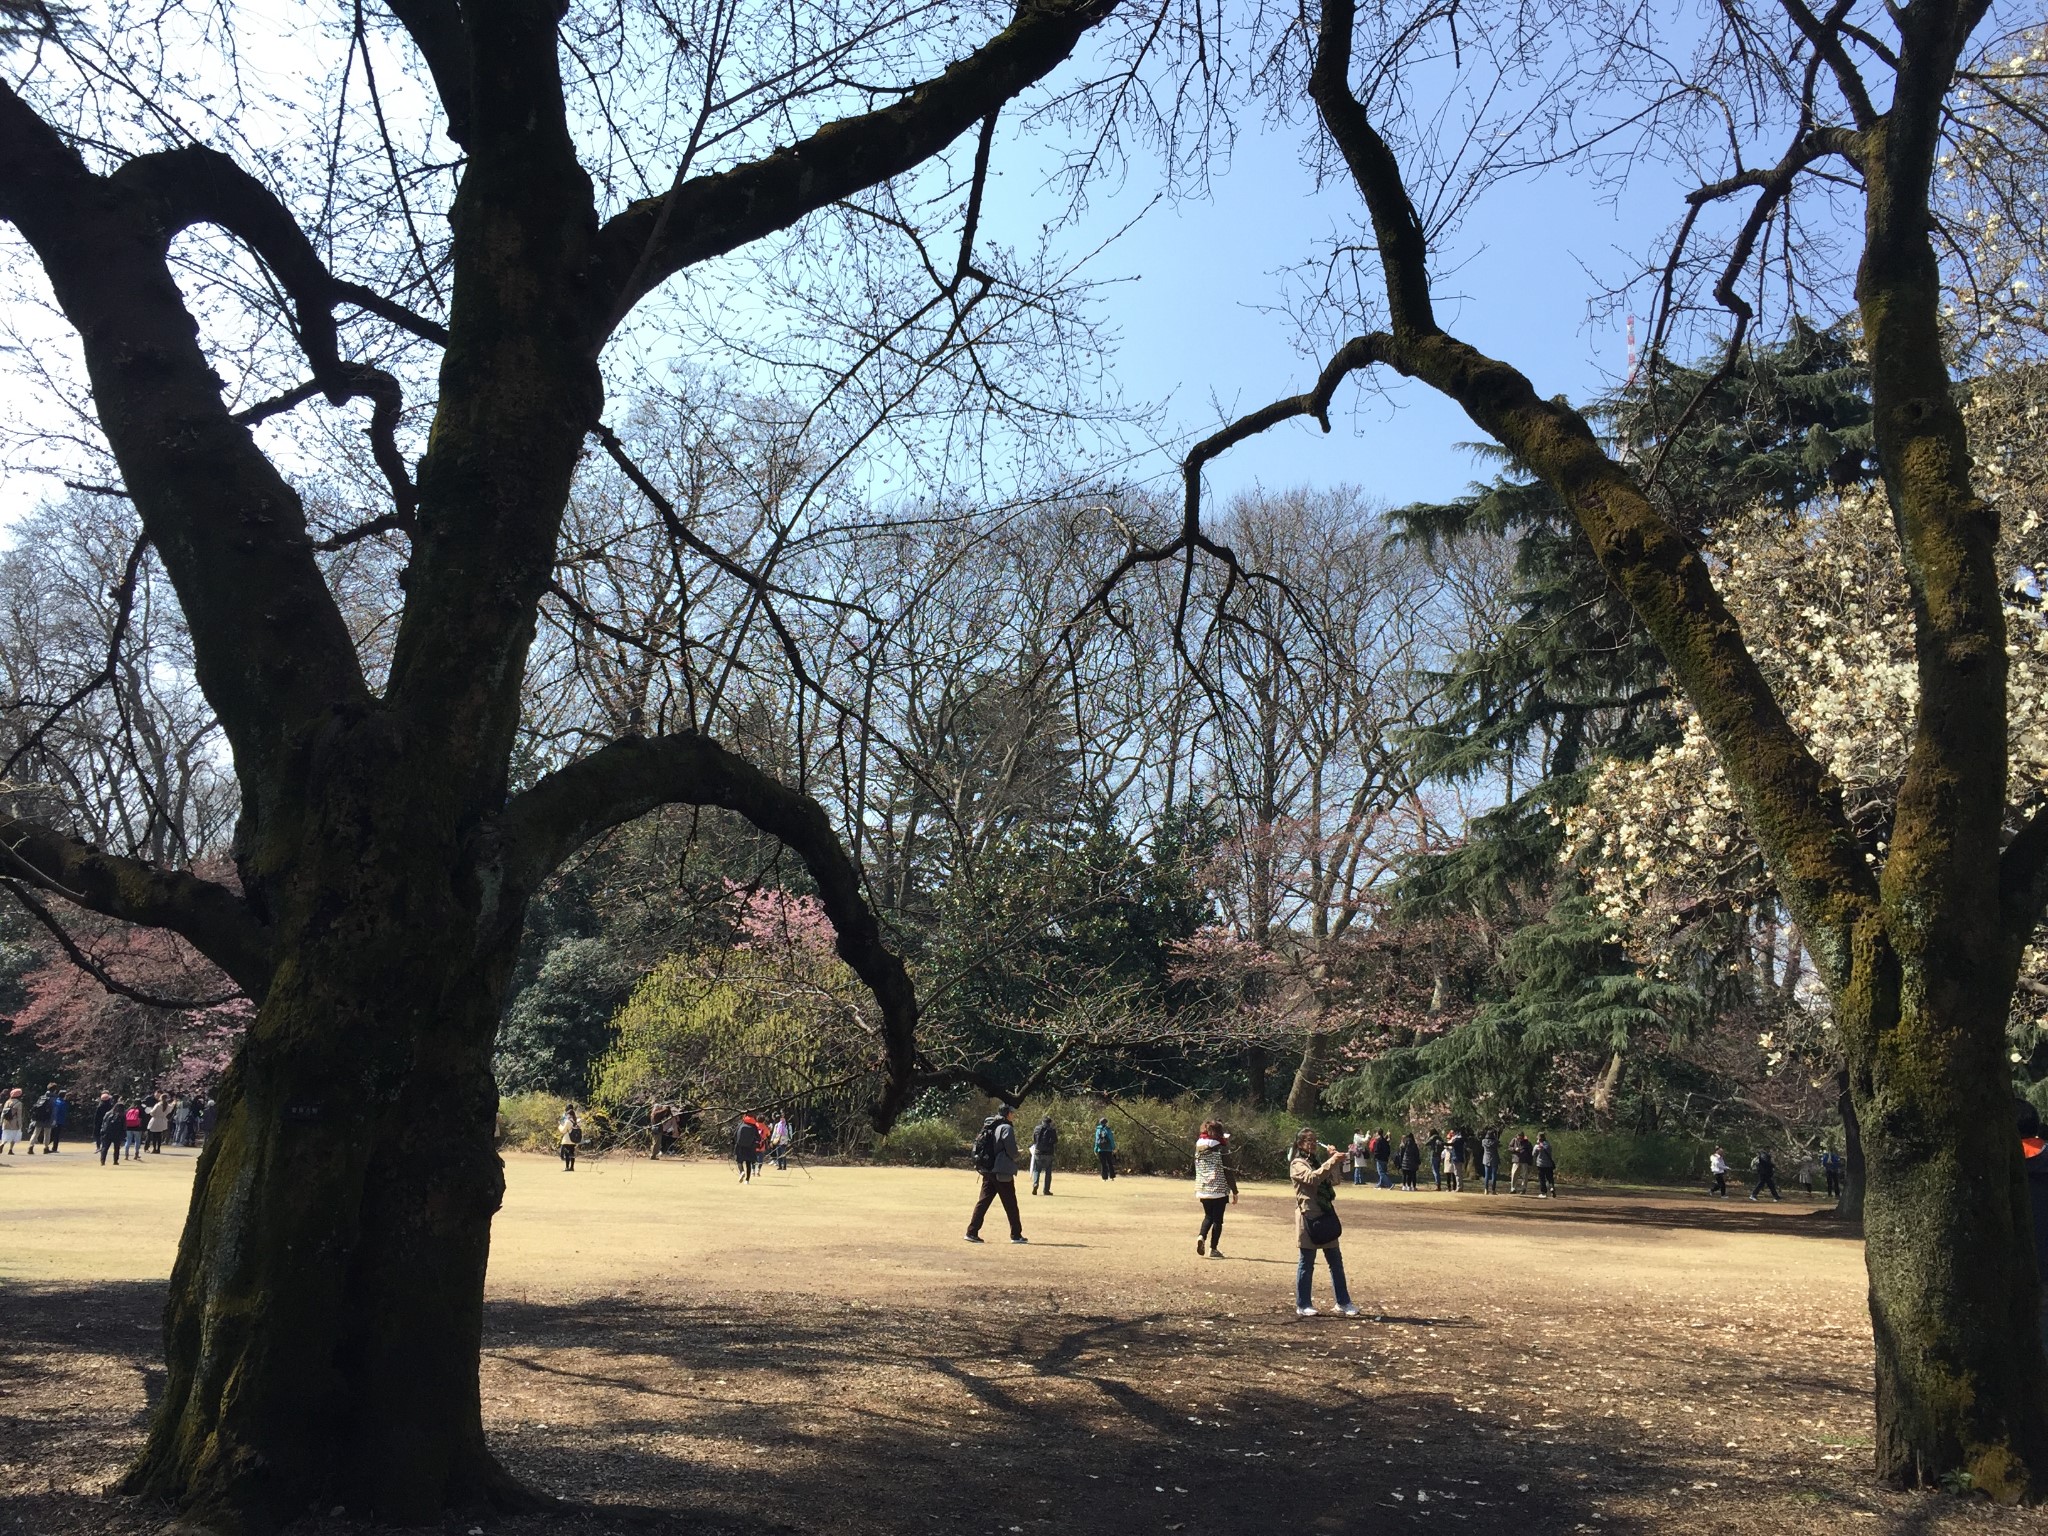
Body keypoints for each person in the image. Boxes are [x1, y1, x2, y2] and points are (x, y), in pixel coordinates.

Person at [1290, 1127, 1359, 1317]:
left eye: (1314, 1140)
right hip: (1308, 1217)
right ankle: (1303, 1304)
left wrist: (1336, 1161)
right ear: (1300, 1144)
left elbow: (1333, 1180)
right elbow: (1313, 1178)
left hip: (1326, 1214)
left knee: (1336, 1261)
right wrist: (1331, 1162)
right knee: (1307, 1262)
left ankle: (1343, 1302)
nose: (1312, 1144)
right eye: (1308, 1141)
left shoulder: (1318, 1162)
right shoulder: (1297, 1163)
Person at [965, 1105, 1027, 1244]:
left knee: (983, 1201)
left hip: (987, 1169)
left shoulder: (990, 1125)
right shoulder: (1006, 1128)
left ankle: (971, 1232)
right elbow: (1011, 1150)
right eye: (1012, 1113)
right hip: (1002, 1170)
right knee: (1011, 1203)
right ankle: (1016, 1235)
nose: (1014, 1116)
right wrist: (1017, 1154)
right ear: (1008, 1114)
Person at [1194, 1120, 1239, 1257]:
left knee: (1208, 1216)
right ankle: (1213, 1249)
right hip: (1219, 1190)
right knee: (1218, 1220)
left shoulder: (1198, 1149)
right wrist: (1235, 1191)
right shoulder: (1221, 1149)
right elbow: (1228, 1171)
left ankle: (1201, 1236)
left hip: (1203, 1188)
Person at [1029, 1114, 1058, 1195]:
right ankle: (1046, 1190)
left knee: (1036, 1170)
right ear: (1050, 1122)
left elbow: (1034, 1139)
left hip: (1038, 1152)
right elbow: (1055, 1141)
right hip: (1049, 1154)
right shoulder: (1052, 1129)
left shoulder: (1037, 1128)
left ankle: (1035, 1183)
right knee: (1048, 1173)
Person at [95, 1095, 124, 1165]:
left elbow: (103, 1122)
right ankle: (115, 1161)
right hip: (117, 1133)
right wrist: (123, 1134)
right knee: (116, 1148)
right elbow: (124, 1125)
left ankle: (102, 1161)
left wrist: (102, 1131)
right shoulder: (121, 1115)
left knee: (105, 1147)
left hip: (106, 1132)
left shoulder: (108, 1113)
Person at [735, 1113, 764, 1181]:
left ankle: (742, 1171)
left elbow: (735, 1135)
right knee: (748, 1163)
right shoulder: (754, 1126)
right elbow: (758, 1138)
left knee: (739, 1161)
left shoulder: (741, 1124)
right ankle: (747, 1180)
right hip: (750, 1147)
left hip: (740, 1146)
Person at [1533, 1132, 1557, 1197]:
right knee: (1550, 1178)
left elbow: (1533, 1154)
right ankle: (1552, 1188)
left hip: (1540, 1164)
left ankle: (1543, 1192)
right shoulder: (1548, 1145)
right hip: (1549, 1164)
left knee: (1542, 1179)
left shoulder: (1537, 1146)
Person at [0, 1087, 22, 1154]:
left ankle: (2, 1144)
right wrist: (20, 1124)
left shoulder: (7, 1102)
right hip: (14, 1121)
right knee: (14, 1136)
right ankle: (10, 1150)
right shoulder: (19, 1103)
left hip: (6, 1121)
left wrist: (1, 1121)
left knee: (6, 1135)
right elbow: (19, 1115)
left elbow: (3, 1113)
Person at [1480, 1128, 1499, 1194]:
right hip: (1494, 1159)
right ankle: (1493, 1190)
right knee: (1494, 1175)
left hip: (1486, 1159)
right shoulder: (1495, 1142)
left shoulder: (1483, 1141)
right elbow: (1497, 1143)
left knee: (1487, 1175)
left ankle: (1486, 1189)